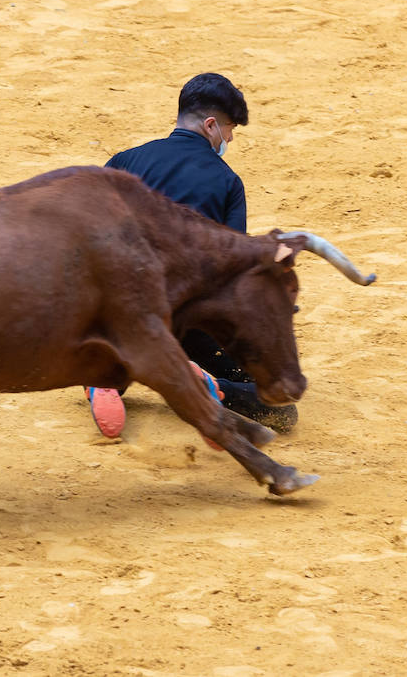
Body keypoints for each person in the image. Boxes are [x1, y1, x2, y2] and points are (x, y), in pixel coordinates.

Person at [85, 72, 298, 439]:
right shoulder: (227, 181)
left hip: (120, 319)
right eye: (230, 129)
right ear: (211, 125)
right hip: (185, 321)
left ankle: (102, 375)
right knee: (280, 409)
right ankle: (211, 386)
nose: (229, 139)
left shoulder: (124, 160)